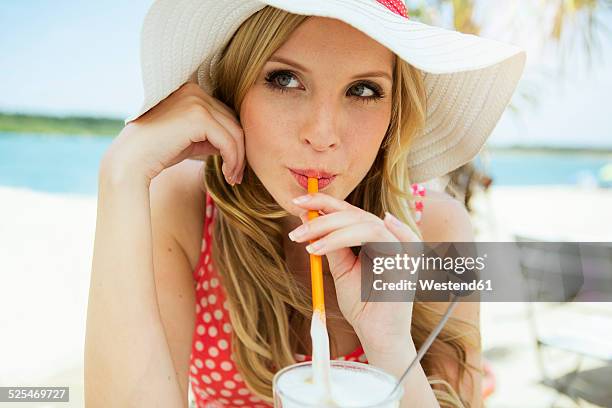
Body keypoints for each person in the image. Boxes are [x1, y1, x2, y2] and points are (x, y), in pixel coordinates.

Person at [84, 1, 526, 407]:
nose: (323, 133)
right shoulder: (185, 208)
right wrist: (120, 176)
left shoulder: (438, 230)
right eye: (285, 80)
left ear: (394, 114)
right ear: (234, 92)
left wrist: (390, 347)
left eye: (364, 90)